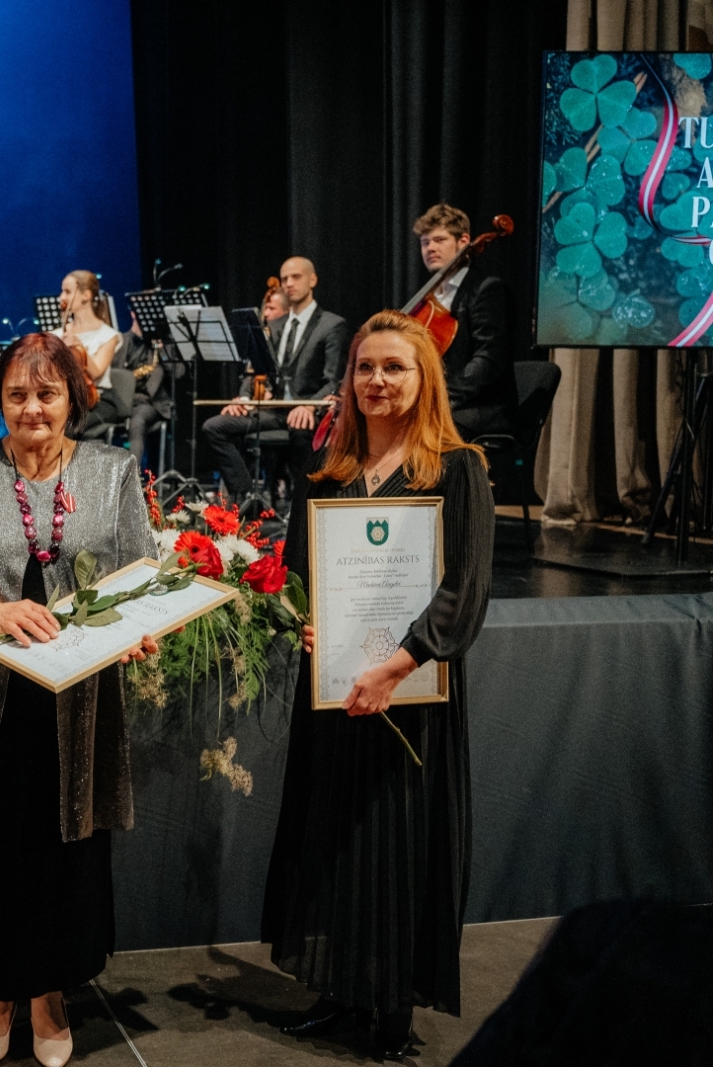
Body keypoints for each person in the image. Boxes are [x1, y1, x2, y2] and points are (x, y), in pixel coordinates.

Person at [0, 332, 159, 1067]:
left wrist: (141, 629)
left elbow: (144, 570)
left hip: (76, 706)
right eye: (17, 393)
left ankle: (49, 993)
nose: (32, 407)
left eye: (47, 393)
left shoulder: (113, 471)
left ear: (74, 397)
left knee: (64, 850)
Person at [262, 310, 493, 1062]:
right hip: (335, 693)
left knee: (398, 842)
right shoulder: (327, 473)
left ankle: (392, 1006)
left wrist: (397, 664)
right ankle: (339, 991)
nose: (377, 381)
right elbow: (302, 572)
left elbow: (464, 590)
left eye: (394, 367)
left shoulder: (457, 469)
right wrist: (303, 618)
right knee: (334, 838)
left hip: (406, 694)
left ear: (425, 379)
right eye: (365, 367)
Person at [201, 257, 348, 505]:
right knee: (214, 427)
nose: (289, 283)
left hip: (308, 411)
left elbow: (333, 380)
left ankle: (303, 505)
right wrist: (246, 399)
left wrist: (310, 405)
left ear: (312, 280)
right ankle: (247, 496)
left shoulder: (332, 325)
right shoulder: (274, 324)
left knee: (300, 429)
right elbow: (259, 371)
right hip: (274, 411)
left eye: (296, 277)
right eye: (284, 279)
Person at [413, 202, 517, 441]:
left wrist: (442, 400)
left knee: (413, 436)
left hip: (479, 408)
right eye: (425, 242)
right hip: (444, 405)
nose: (430, 248)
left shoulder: (486, 289)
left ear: (463, 241)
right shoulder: (427, 300)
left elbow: (488, 360)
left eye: (439, 240)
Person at [51, 270, 127, 437]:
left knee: (65, 431)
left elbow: (96, 371)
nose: (61, 297)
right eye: (62, 291)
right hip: (67, 400)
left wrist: (81, 347)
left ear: (85, 295)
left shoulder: (108, 335)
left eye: (68, 292)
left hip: (98, 400)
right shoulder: (58, 334)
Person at [121, 315, 174, 473]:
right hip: (124, 400)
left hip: (152, 404)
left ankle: (130, 483)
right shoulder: (122, 340)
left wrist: (162, 348)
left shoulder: (163, 342)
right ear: (133, 313)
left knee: (137, 420)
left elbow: (178, 373)